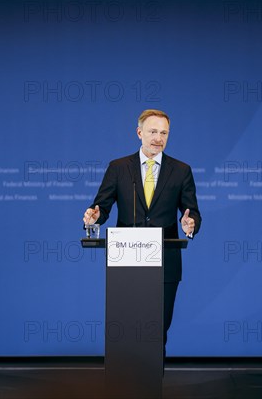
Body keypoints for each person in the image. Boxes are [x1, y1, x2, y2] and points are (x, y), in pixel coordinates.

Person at [83, 109, 202, 352]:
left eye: (164, 133)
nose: (159, 138)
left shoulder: (181, 170)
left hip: (165, 261)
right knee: (126, 329)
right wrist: (94, 217)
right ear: (139, 133)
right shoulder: (118, 168)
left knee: (157, 331)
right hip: (125, 260)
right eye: (153, 132)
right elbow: (101, 207)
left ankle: (151, 386)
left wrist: (191, 225)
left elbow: (192, 212)